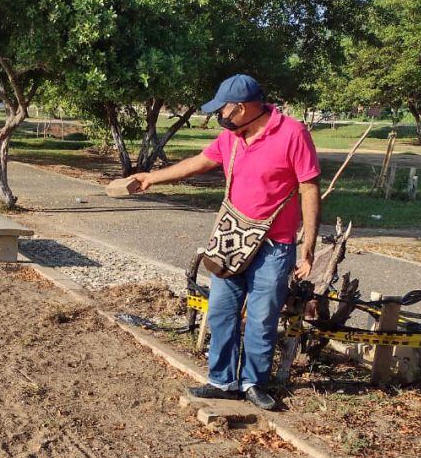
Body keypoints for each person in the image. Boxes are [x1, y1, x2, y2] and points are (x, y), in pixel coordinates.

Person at [130, 74, 320, 410]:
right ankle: (222, 381)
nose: (219, 115)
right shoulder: (231, 137)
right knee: (221, 311)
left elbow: (309, 188)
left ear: (244, 108)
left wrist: (307, 247)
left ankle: (253, 383)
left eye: (224, 109)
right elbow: (197, 163)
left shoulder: (293, 133)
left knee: (262, 317)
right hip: (231, 241)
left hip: (275, 246)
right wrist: (150, 178)